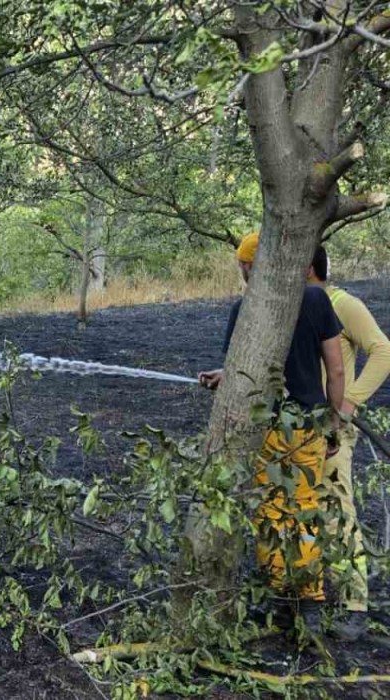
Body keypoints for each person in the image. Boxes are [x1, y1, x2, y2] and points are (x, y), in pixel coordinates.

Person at [198, 231, 346, 635]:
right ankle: (310, 600)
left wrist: (222, 378)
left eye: (242, 264)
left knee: (271, 510)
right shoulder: (317, 299)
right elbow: (335, 368)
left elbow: (244, 371)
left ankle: (281, 598)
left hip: (268, 428)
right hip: (310, 425)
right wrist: (334, 422)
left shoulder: (243, 309)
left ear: (250, 265)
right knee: (305, 507)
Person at [309, 245, 390, 641]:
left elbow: (383, 352)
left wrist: (348, 403)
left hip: (333, 428)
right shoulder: (296, 304)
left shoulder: (344, 304)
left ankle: (354, 604)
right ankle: (310, 593)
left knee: (337, 508)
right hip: (298, 429)